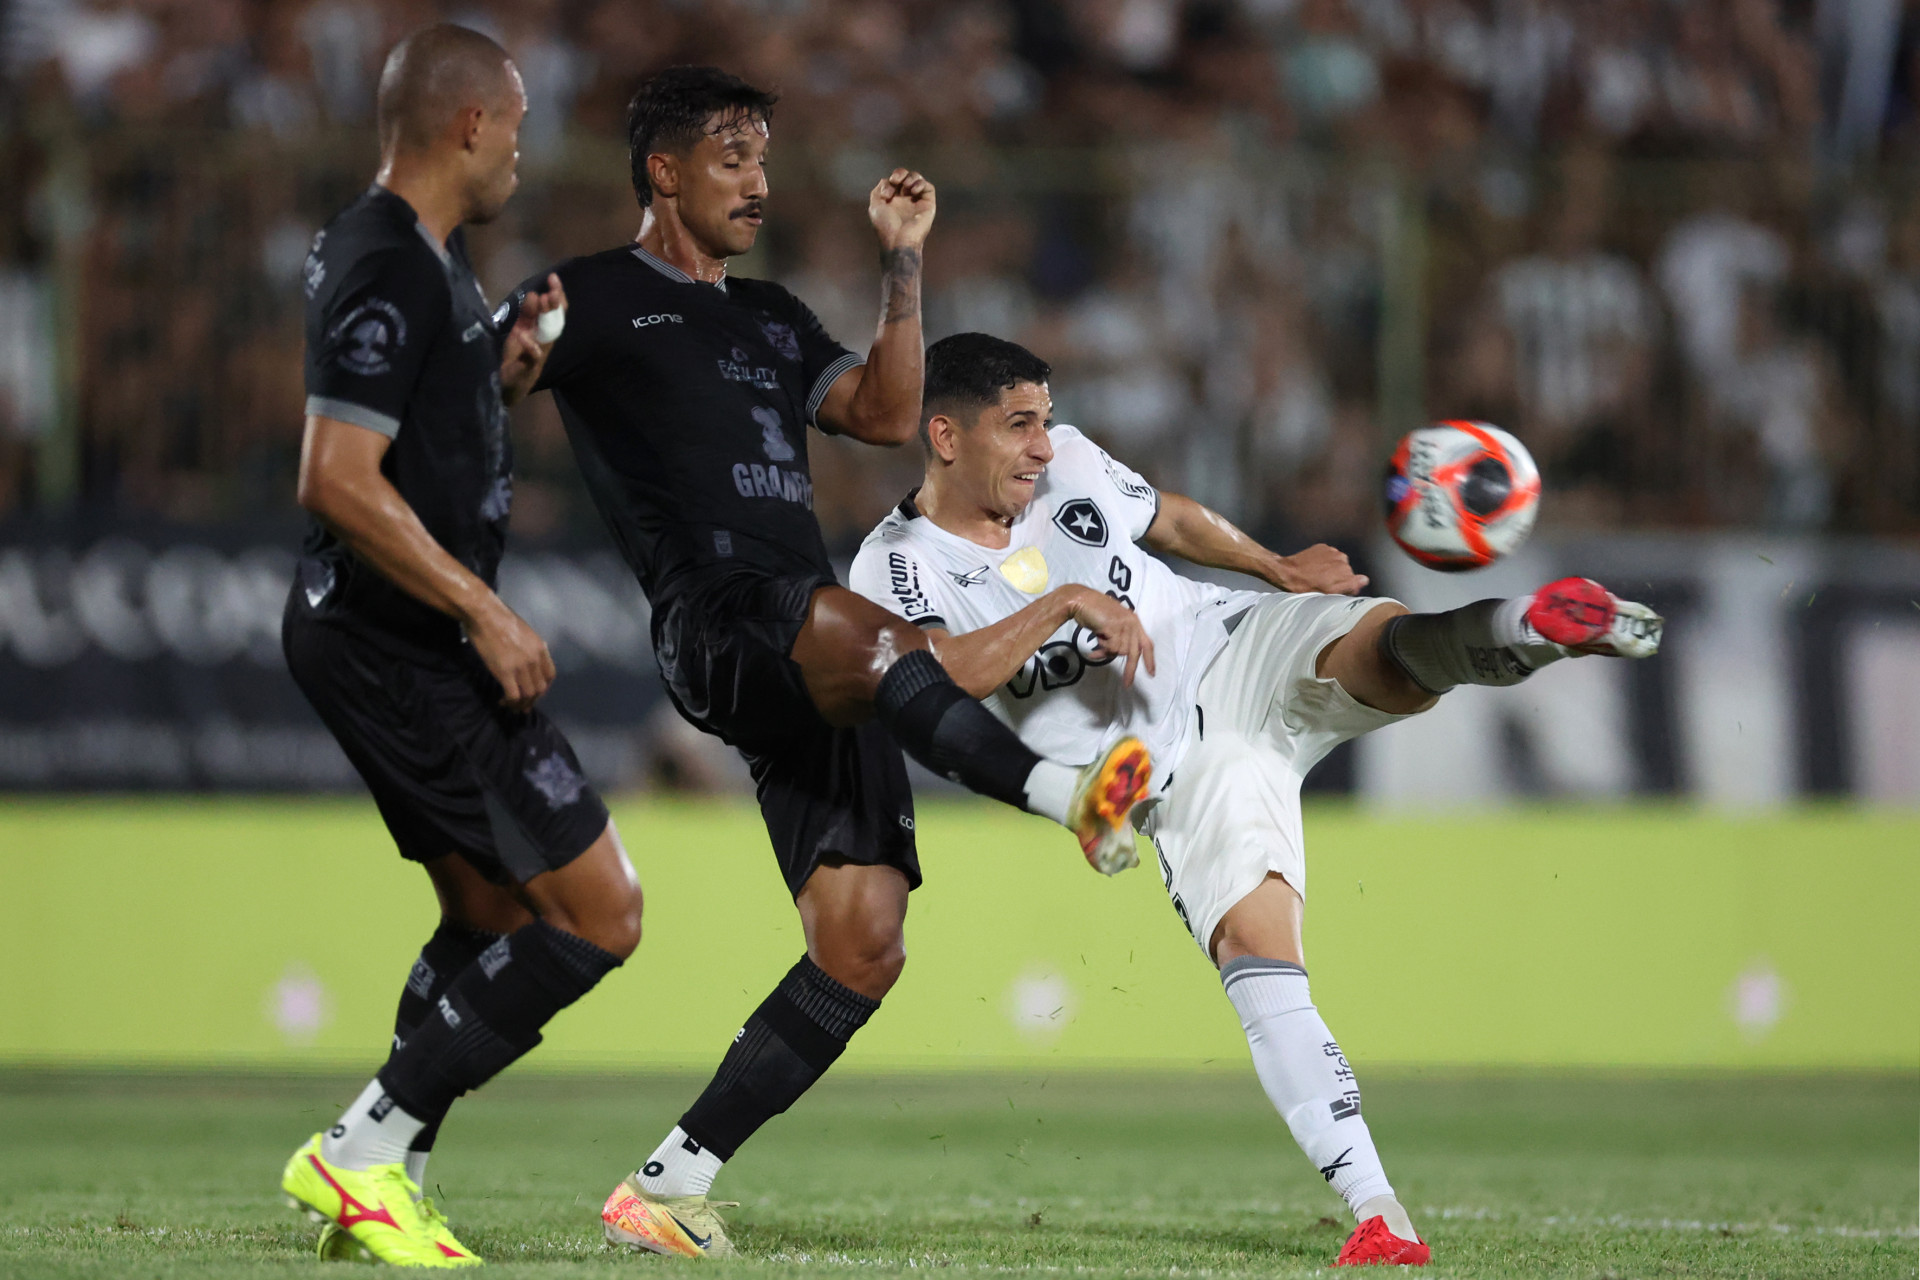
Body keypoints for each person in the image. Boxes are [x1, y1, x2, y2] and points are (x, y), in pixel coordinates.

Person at [848, 333, 1665, 1269]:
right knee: (1260, 949)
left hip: (1224, 641)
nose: (1043, 444)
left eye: (1043, 419)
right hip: (1170, 770)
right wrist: (1064, 602)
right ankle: (1380, 1212)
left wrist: (1275, 568)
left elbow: (1167, 519)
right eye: (1019, 425)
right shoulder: (895, 565)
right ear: (945, 436)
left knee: (1371, 646)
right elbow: (935, 677)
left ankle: (1525, 627)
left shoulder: (1070, 462)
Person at [517, 68, 1152, 1258]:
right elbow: (497, 365)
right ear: (663, 170)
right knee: (877, 634)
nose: (759, 179)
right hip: (720, 609)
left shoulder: (765, 315)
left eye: (764, 156)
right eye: (732, 157)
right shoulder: (593, 296)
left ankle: (667, 1182)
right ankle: (1071, 795)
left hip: (805, 636)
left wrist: (902, 268)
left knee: (864, 940)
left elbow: (876, 410)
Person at [276, 25, 645, 1267]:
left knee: (489, 911)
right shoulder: (388, 257)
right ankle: (362, 1149)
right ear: (470, 125)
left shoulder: (415, 254)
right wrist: (484, 609)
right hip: (407, 642)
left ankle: (386, 1185)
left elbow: (410, 419)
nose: (525, 153)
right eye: (520, 126)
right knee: (599, 913)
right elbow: (335, 475)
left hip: (379, 633)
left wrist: (498, 366)